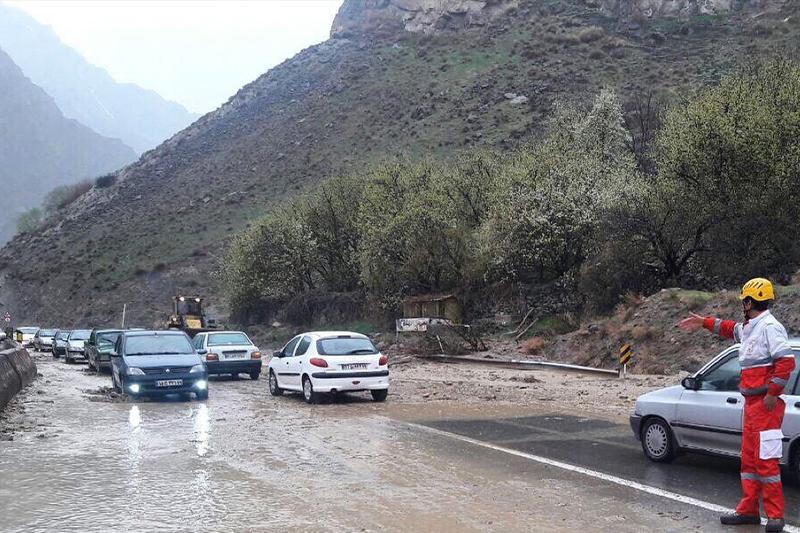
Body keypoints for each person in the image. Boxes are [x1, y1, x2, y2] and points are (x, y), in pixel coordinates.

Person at [678, 278, 794, 532]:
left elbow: (786, 362)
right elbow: (729, 329)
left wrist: (772, 394)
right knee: (750, 462)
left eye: (744, 300)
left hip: (765, 405)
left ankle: (775, 516)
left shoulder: (770, 327)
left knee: (767, 462)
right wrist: (704, 323)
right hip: (752, 404)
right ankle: (749, 511)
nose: (743, 304)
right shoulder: (752, 326)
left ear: (750, 301)